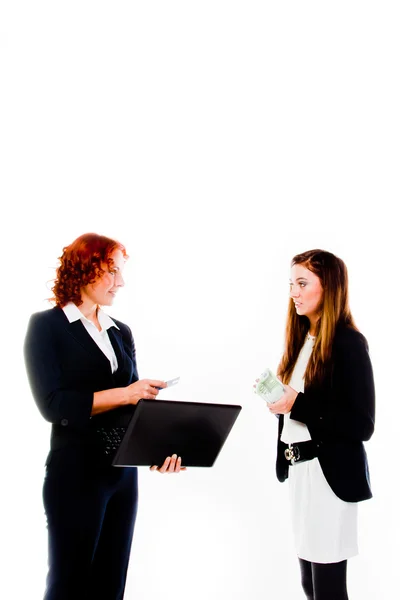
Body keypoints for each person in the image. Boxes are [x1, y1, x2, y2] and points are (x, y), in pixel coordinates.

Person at [24, 233, 185, 600]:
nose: (121, 282)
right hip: (75, 474)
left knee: (110, 588)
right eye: (111, 271)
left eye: (121, 272)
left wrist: (158, 451)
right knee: (68, 586)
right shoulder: (46, 327)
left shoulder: (120, 332)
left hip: (122, 476)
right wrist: (126, 392)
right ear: (84, 269)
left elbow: (134, 410)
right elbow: (54, 405)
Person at [267, 249, 375, 600]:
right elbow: (304, 409)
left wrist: (297, 403)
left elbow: (362, 424)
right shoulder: (303, 341)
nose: (293, 293)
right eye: (291, 284)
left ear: (328, 286)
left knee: (327, 588)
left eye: (302, 283)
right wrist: (283, 404)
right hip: (301, 473)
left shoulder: (348, 343)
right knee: (309, 585)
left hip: (330, 478)